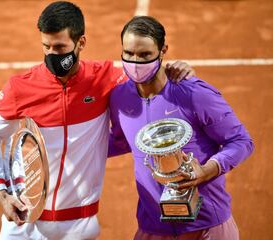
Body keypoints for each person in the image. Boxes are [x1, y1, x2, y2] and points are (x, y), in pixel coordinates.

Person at [0, 2, 195, 240]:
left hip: (78, 227)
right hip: (24, 224)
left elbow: (148, 78)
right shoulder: (20, 88)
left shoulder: (105, 78)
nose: (52, 55)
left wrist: (173, 70)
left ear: (81, 43)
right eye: (46, 46)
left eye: (60, 47)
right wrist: (0, 193)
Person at [108, 16, 254, 240]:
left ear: (163, 50)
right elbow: (119, 140)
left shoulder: (194, 94)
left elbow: (241, 141)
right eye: (129, 54)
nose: (136, 62)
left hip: (206, 226)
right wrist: (64, 147)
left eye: (145, 55)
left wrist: (209, 170)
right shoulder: (120, 98)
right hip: (152, 227)